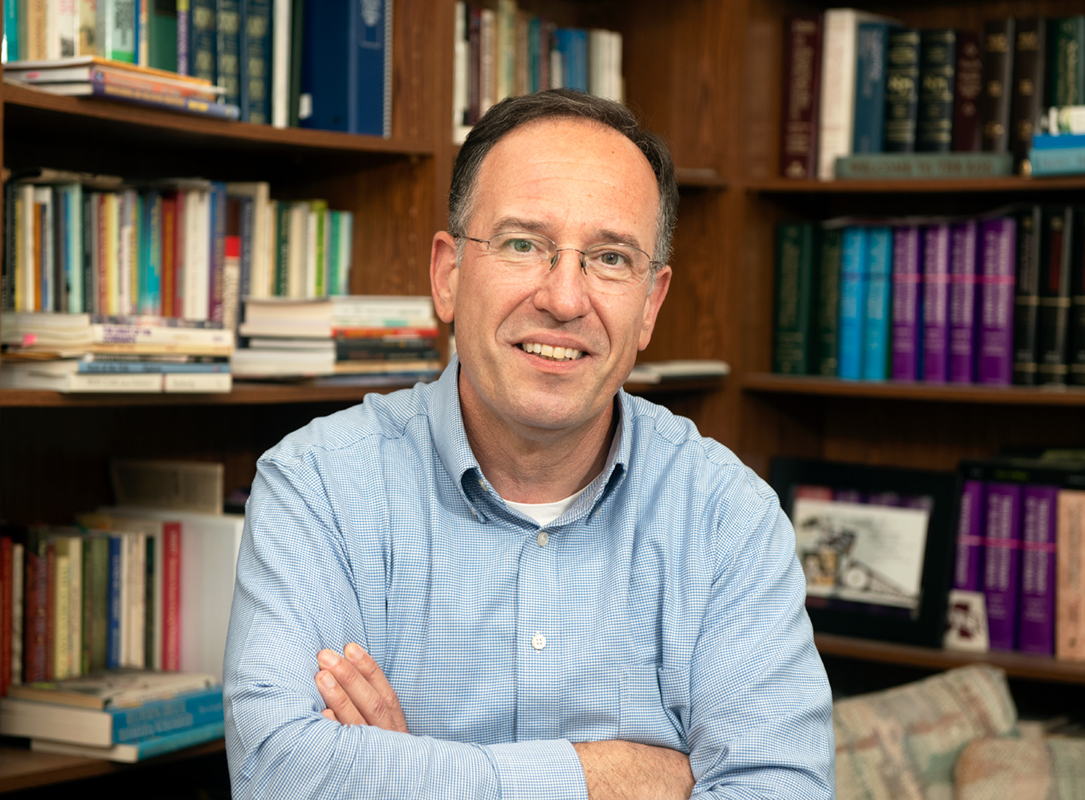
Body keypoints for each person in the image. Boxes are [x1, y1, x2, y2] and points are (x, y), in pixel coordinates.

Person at [223, 89, 835, 799]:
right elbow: (279, 775)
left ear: (651, 305)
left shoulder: (729, 518)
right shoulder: (317, 486)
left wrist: (406, 774)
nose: (565, 298)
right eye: (523, 245)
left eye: (610, 258)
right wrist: (618, 779)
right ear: (448, 275)